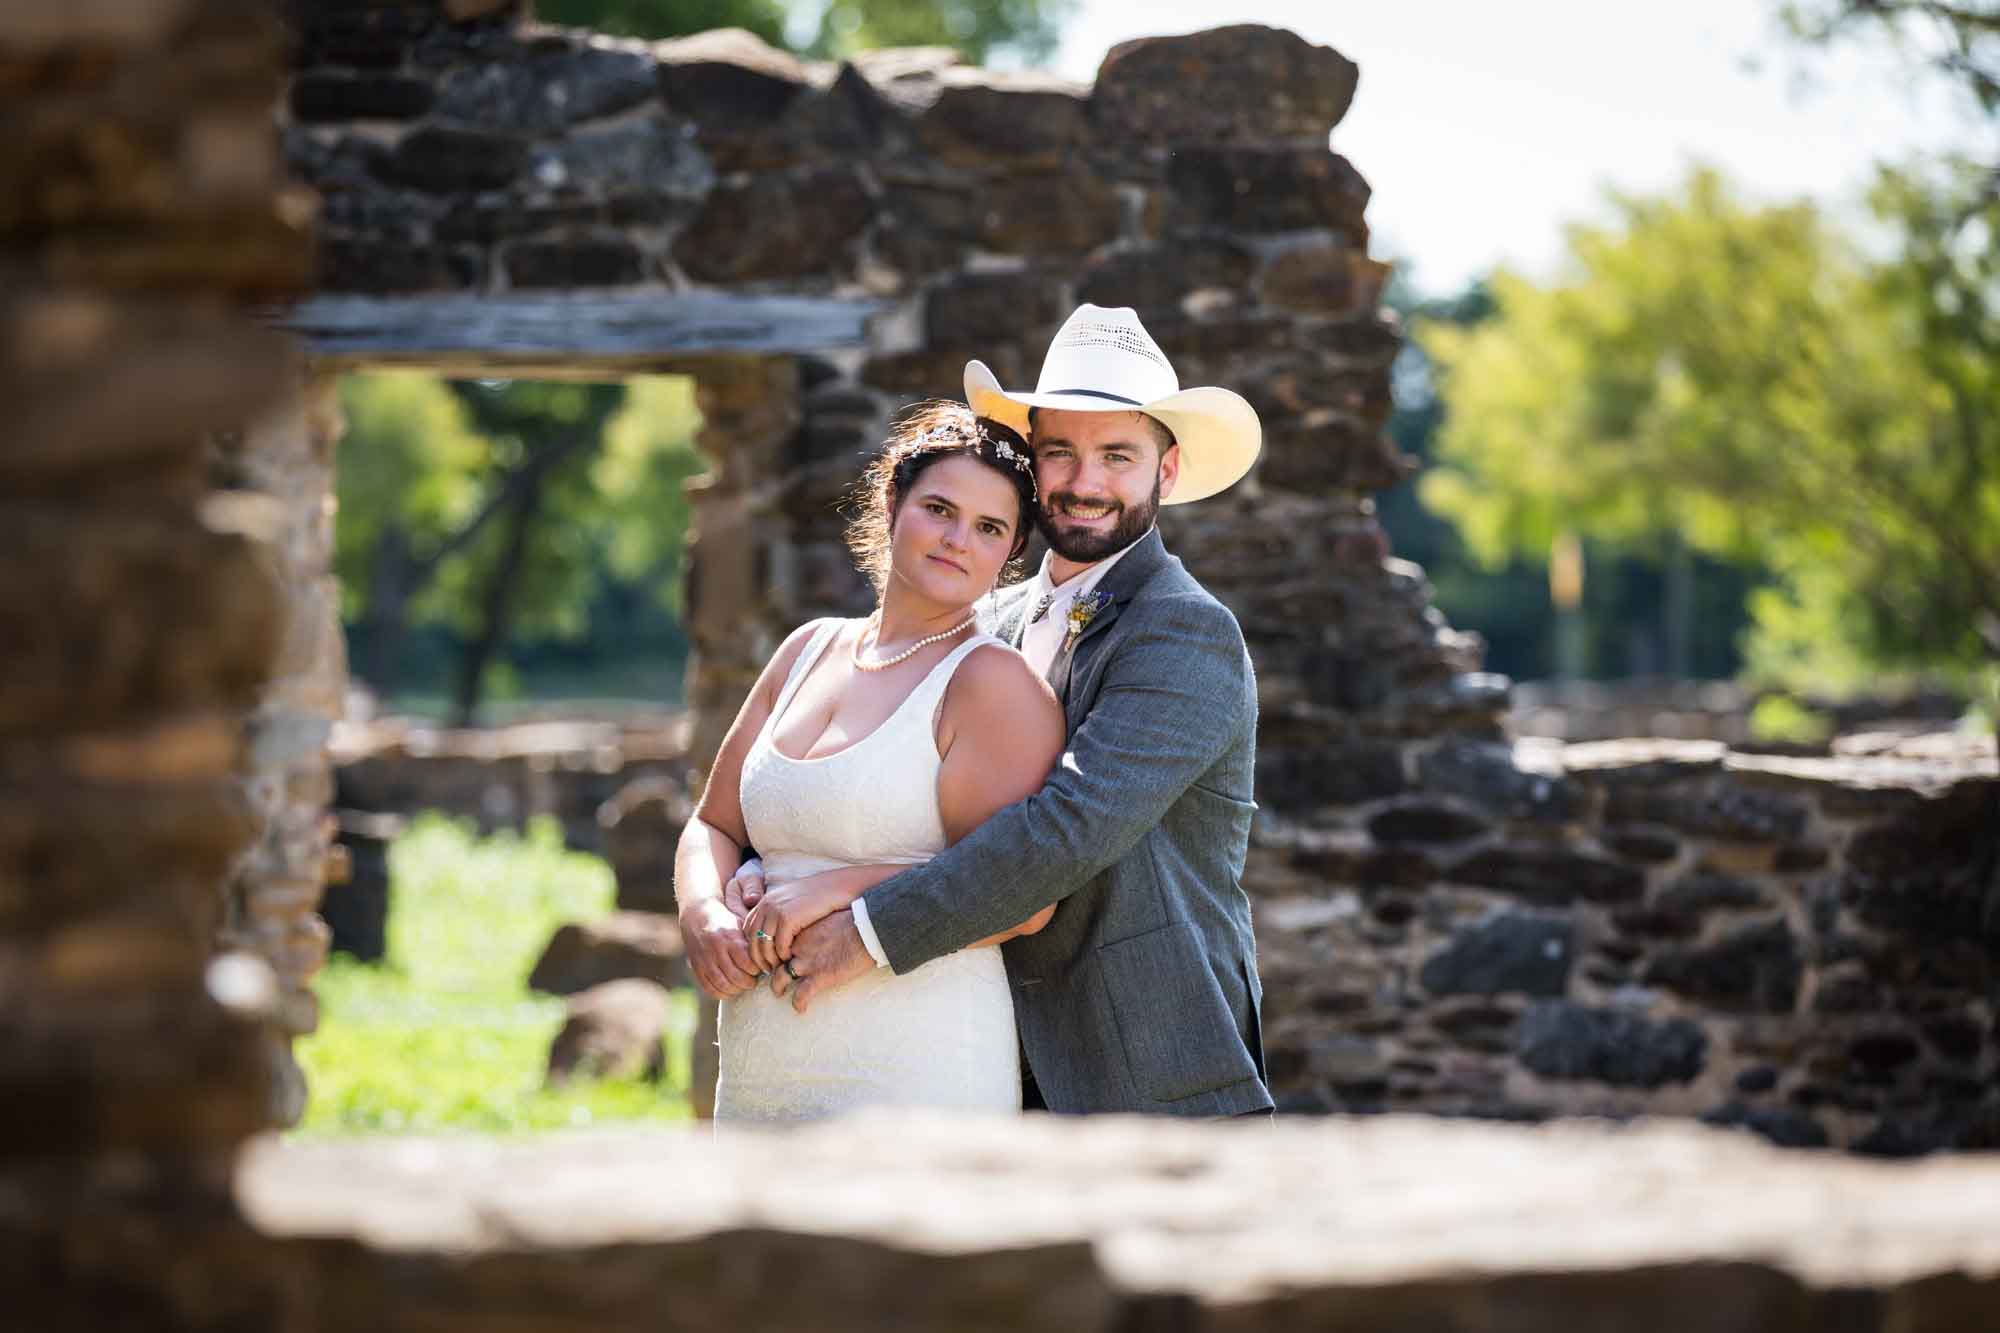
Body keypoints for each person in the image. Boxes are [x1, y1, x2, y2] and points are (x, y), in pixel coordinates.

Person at [739, 303, 1275, 1118]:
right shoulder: (989, 621)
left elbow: (1068, 829)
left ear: (1165, 472)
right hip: (972, 1048)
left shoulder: (1185, 632)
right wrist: (767, 871)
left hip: (1138, 1067)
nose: (1085, 482)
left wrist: (861, 924)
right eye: (1060, 451)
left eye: (1117, 456)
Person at [674, 403, 1064, 1121]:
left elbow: (1025, 894)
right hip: (763, 1066)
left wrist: (836, 889)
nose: (957, 540)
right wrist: (701, 910)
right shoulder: (806, 650)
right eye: (939, 509)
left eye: (989, 528)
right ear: (892, 502)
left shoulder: (991, 685)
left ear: (1010, 552)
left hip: (918, 1063)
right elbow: (714, 823)